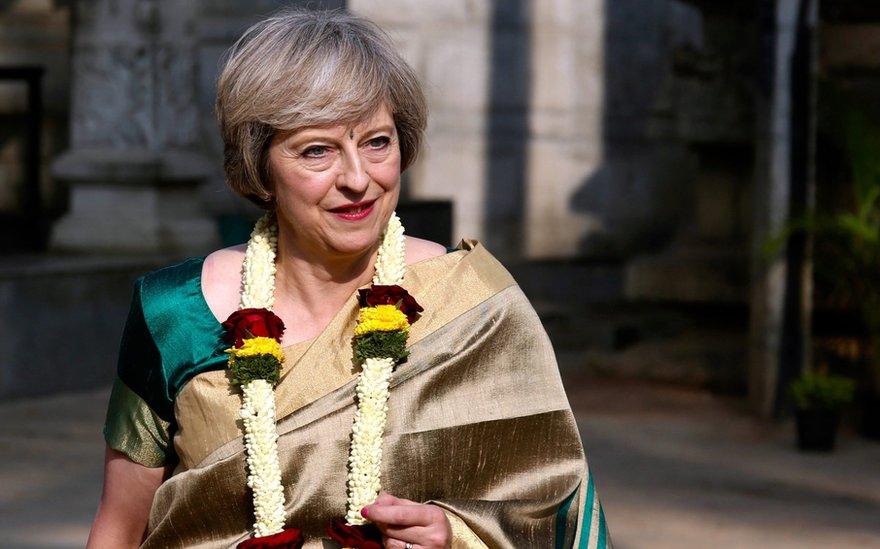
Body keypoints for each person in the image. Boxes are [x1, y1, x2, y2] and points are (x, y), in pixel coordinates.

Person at [88, 8, 610, 549]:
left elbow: (555, 511)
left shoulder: (473, 305)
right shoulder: (175, 313)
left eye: (377, 142)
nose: (359, 179)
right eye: (318, 150)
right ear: (260, 167)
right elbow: (121, 527)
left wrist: (455, 537)